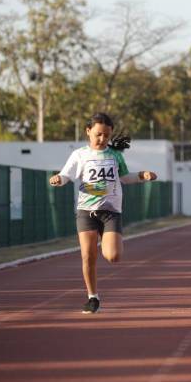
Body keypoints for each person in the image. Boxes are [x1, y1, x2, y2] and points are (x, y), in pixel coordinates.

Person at [49, 113, 157, 314]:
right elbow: (67, 175)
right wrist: (58, 179)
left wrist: (143, 175)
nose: (102, 139)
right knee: (87, 256)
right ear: (88, 132)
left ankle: (108, 241)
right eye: (98, 134)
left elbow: (125, 177)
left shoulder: (115, 155)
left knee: (113, 256)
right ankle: (92, 297)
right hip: (86, 212)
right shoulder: (79, 155)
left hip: (110, 212)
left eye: (106, 136)